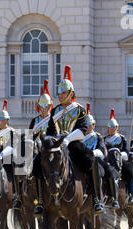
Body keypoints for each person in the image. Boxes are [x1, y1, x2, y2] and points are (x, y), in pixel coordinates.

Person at [45, 66, 103, 215]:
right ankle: (40, 200)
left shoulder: (80, 109)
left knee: (91, 160)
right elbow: (50, 131)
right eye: (59, 93)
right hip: (57, 145)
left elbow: (83, 130)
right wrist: (49, 141)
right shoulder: (54, 111)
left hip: (73, 143)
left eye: (64, 92)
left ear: (71, 93)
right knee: (39, 161)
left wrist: (67, 139)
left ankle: (96, 199)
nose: (61, 95)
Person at [82, 105, 119, 209]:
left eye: (90, 125)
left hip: (96, 160)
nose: (88, 127)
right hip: (83, 161)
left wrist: (92, 153)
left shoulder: (98, 136)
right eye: (86, 125)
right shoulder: (80, 137)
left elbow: (102, 151)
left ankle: (109, 199)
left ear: (93, 125)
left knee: (109, 171)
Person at [0, 99, 21, 211]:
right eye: (0, 119)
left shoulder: (12, 131)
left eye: (4, 119)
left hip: (8, 156)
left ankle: (17, 194)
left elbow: (13, 147)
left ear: (8, 120)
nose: (2, 121)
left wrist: (2, 154)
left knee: (14, 169)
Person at [29, 79, 54, 217]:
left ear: (50, 106)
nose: (44, 109)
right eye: (42, 106)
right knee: (32, 168)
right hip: (37, 151)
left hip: (50, 150)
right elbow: (30, 137)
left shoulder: (53, 119)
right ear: (39, 106)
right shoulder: (35, 120)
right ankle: (23, 198)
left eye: (46, 106)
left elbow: (54, 135)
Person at [104, 108, 133, 208]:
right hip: (108, 161)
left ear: (117, 128)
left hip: (120, 159)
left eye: (114, 127)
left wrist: (119, 155)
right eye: (110, 127)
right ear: (108, 128)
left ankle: (131, 195)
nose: (112, 129)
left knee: (130, 170)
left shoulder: (121, 138)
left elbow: (126, 151)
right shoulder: (104, 139)